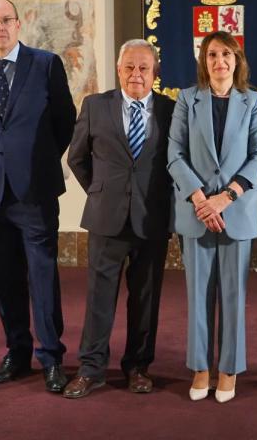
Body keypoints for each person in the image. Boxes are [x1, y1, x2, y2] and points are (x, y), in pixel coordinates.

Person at [0, 0, 76, 393]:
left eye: (6, 19)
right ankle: (18, 351)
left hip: (35, 191)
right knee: (6, 277)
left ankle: (52, 356)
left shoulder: (45, 64)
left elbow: (65, 123)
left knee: (42, 274)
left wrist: (37, 162)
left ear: (19, 23)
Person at [63, 39, 174, 399]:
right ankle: (90, 368)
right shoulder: (95, 106)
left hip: (152, 220)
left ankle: (138, 367)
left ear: (154, 73)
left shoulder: (172, 111)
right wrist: (100, 191)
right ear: (118, 69)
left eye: (143, 67)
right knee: (99, 298)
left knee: (145, 298)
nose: (136, 74)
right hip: (106, 218)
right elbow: (77, 158)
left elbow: (177, 164)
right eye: (129, 67)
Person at [167, 30, 257, 404]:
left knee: (233, 295)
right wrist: (199, 198)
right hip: (196, 212)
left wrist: (225, 198)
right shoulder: (186, 100)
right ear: (203, 61)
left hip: (235, 211)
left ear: (237, 60)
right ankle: (200, 367)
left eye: (226, 54)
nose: (219, 61)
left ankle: (228, 369)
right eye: (212, 55)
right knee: (198, 296)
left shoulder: (253, 102)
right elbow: (174, 153)